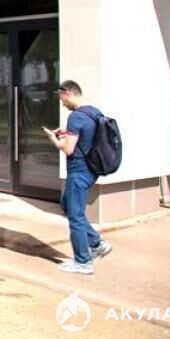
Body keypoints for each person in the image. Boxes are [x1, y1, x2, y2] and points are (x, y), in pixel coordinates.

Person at [42, 80, 113, 275]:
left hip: (79, 171)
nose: (62, 103)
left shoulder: (75, 117)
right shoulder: (93, 112)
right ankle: (97, 244)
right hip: (91, 169)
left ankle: (83, 262)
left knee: (75, 216)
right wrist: (66, 132)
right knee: (67, 204)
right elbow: (87, 134)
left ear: (67, 93)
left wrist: (53, 139)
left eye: (61, 99)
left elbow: (68, 149)